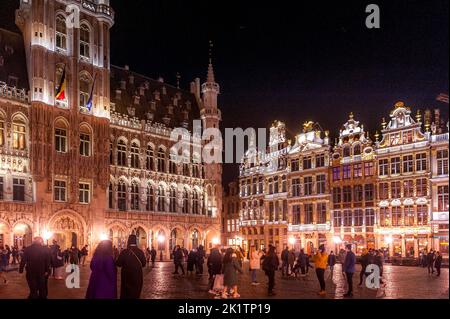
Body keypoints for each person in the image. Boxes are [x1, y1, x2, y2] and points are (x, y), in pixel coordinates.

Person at [115, 235, 146, 299]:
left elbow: (118, 264)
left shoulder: (124, 252)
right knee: (135, 293)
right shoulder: (140, 252)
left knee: (126, 294)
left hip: (126, 277)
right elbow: (144, 264)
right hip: (137, 276)